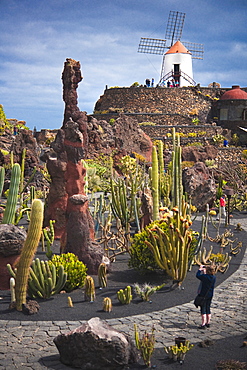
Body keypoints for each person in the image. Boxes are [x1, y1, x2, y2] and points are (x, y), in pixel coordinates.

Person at [196, 265, 216, 329]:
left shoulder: (205, 277)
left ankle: (203, 324)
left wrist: (200, 269)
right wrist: (205, 272)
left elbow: (198, 275)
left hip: (203, 295)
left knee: (203, 309)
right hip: (210, 295)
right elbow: (205, 278)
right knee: (208, 308)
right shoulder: (213, 277)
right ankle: (208, 322)